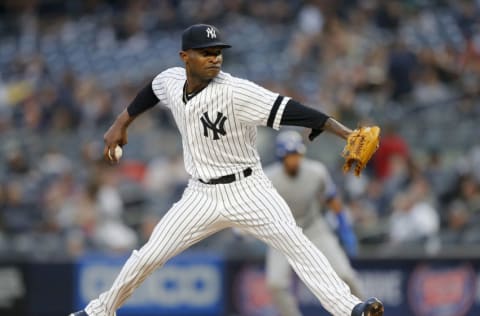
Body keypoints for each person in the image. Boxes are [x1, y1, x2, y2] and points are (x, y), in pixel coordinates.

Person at [69, 24, 383, 316]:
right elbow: (152, 89)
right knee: (149, 256)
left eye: (218, 52)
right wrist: (121, 122)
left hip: (248, 189)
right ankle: (98, 311)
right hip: (200, 194)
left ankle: (349, 308)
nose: (215, 58)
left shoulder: (235, 91)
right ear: (185, 57)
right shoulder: (171, 79)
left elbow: (291, 108)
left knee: (297, 244)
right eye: (206, 52)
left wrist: (346, 133)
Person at [265, 130, 364, 316]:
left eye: (297, 154)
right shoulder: (268, 178)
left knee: (345, 275)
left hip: (313, 227)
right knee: (276, 283)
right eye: (290, 155)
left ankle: (363, 313)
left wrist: (344, 227)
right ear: (281, 157)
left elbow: (332, 199)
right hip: (283, 233)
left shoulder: (315, 171)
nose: (294, 159)